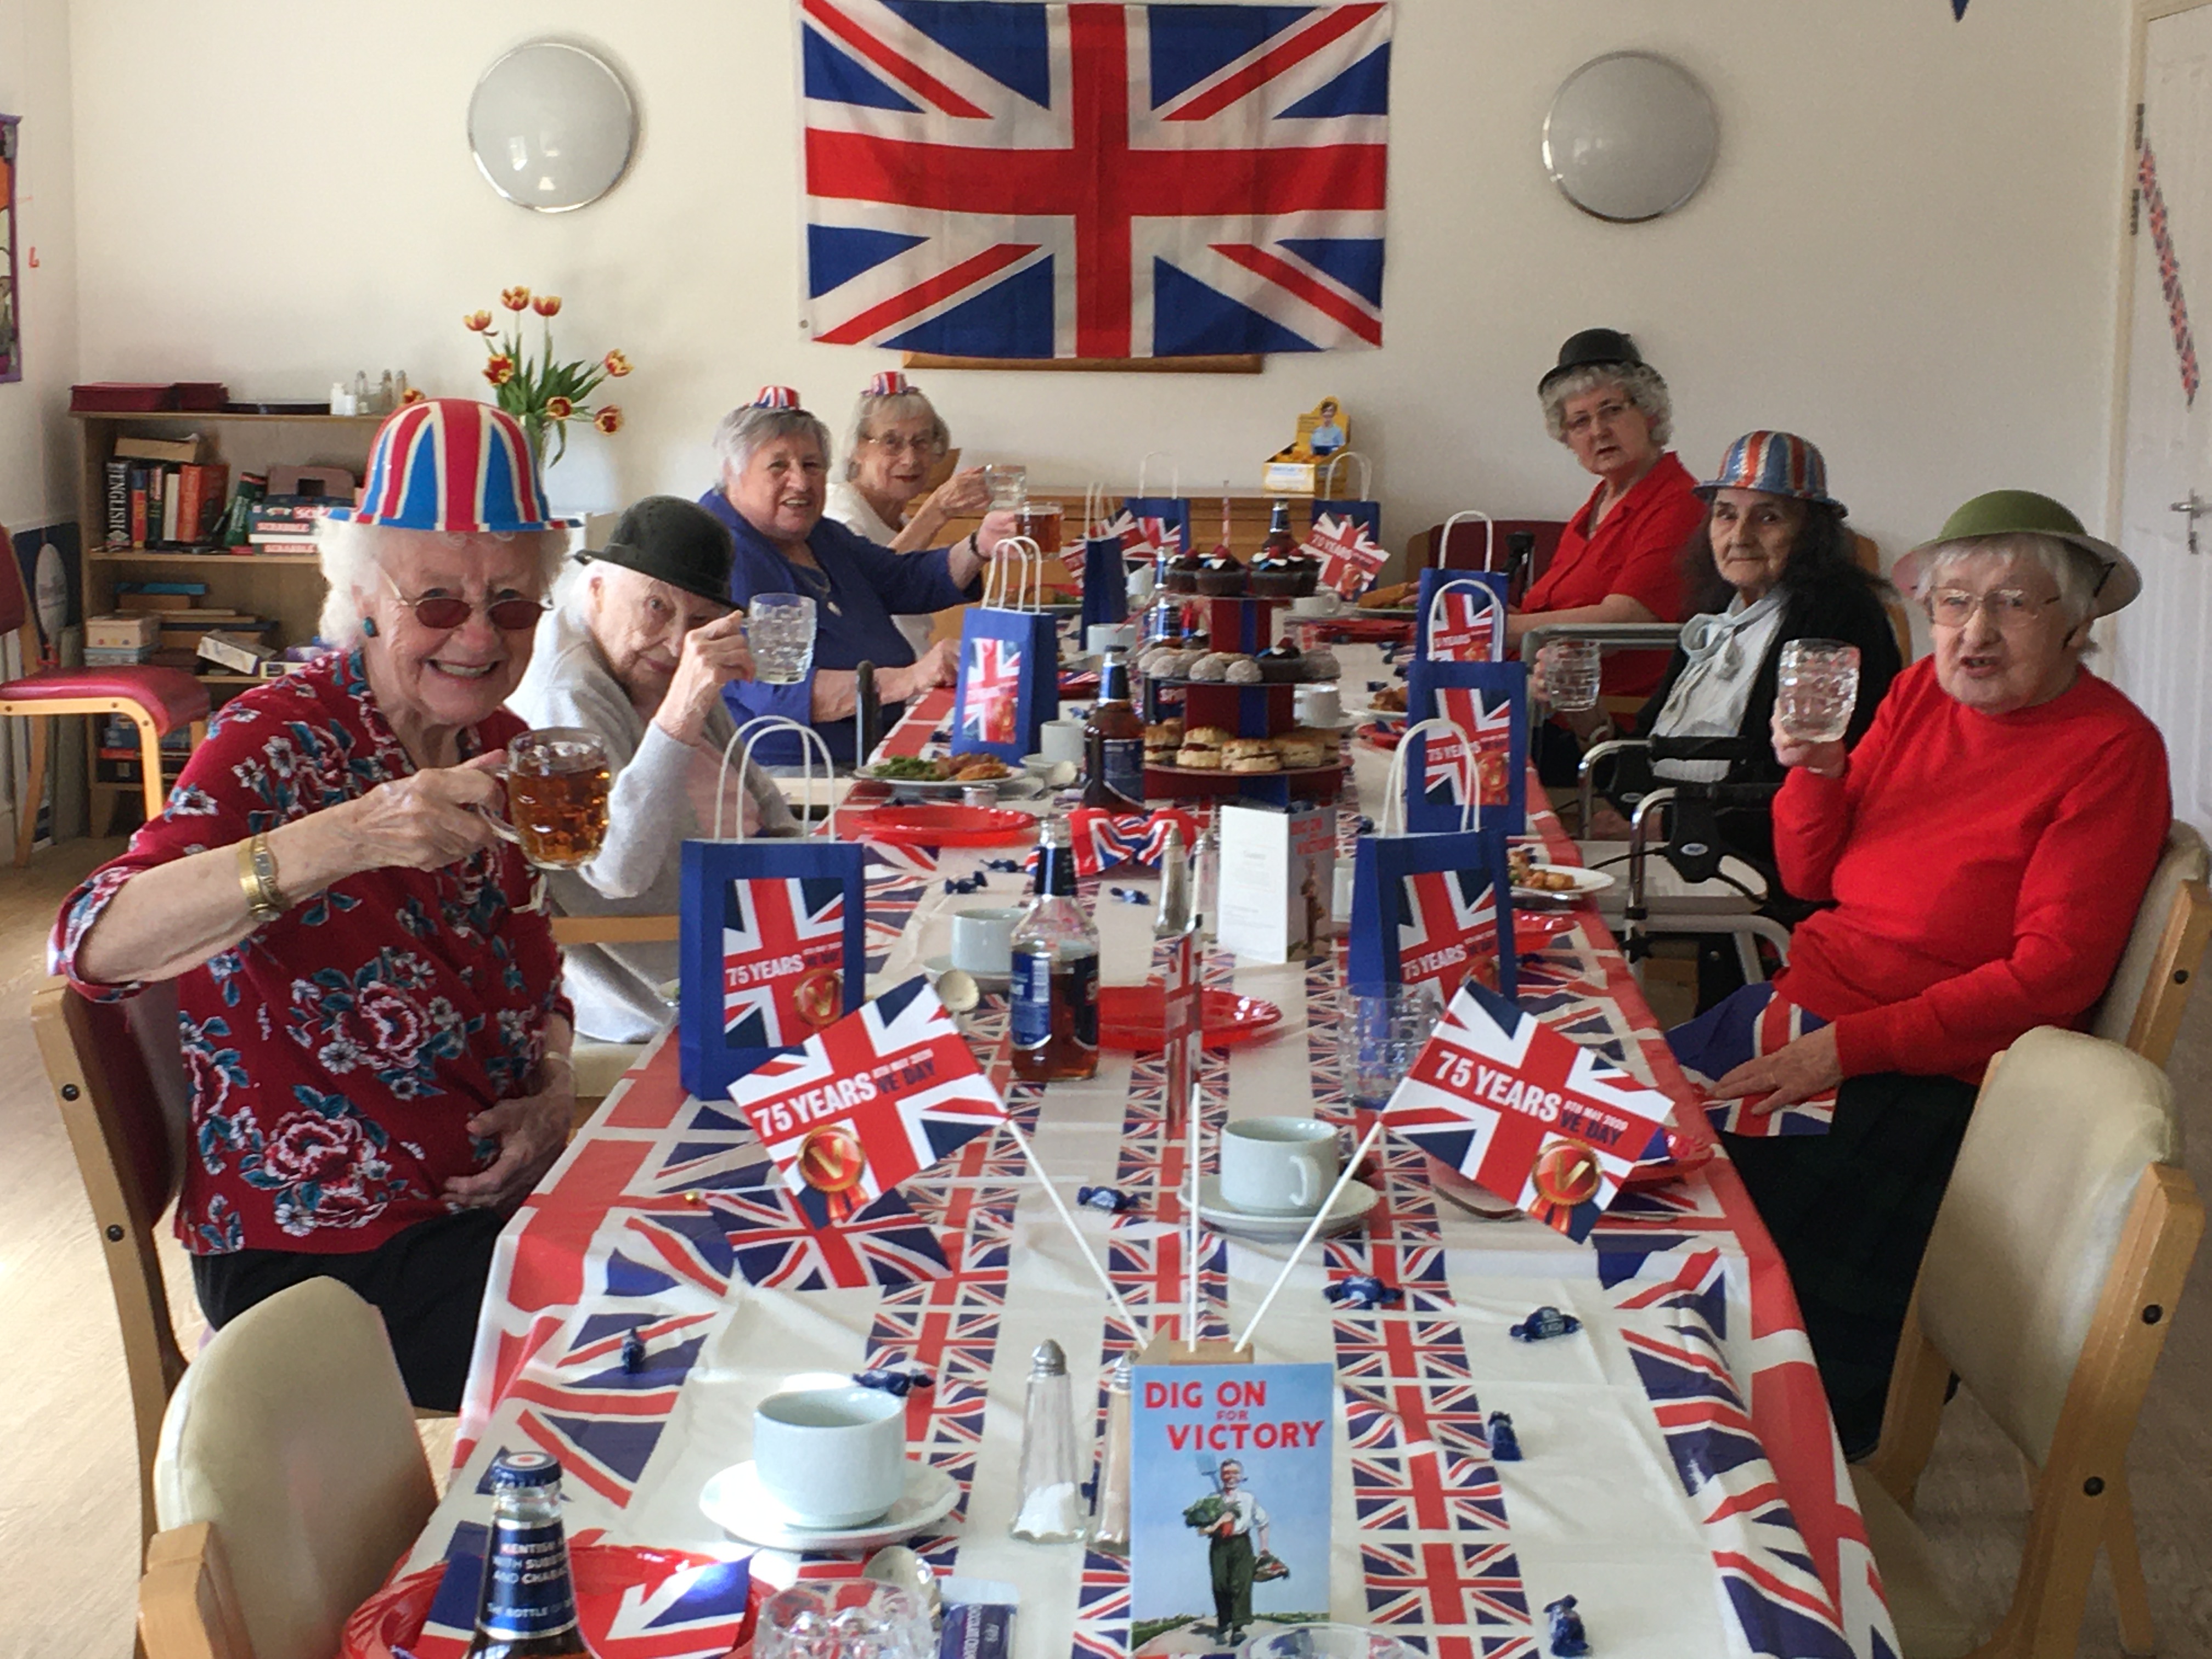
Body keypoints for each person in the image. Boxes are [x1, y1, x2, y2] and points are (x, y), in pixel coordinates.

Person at [48, 400, 577, 1410]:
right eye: (437, 601)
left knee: (717, 1239)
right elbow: (90, 940)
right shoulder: (275, 742)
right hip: (318, 1262)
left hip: (481, 1217)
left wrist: (553, 1086)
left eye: (511, 604)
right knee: (656, 1316)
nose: (477, 634)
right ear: (363, 594)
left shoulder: (500, 747)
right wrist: (349, 836)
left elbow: (539, 975)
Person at [1667, 489, 2171, 1457]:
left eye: (2013, 603)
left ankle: (1740, 1468)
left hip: (1921, 1070)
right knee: (1598, 1127)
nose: (1975, 633)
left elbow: (2051, 979)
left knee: (1694, 1235)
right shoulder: (1914, 698)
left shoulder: (2112, 750)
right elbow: (1810, 878)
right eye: (1953, 603)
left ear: (2076, 623)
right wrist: (1813, 772)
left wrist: (1844, 1049)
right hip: (1803, 1008)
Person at [510, 495, 798, 1043]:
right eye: (656, 606)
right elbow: (618, 870)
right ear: (597, 589)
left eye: (700, 619)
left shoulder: (655, 660)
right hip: (678, 985)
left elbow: (758, 794)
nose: (675, 641)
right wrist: (683, 708)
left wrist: (810, 882)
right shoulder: (565, 692)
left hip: (761, 935)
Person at [1592, 431, 1904, 870]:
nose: (1740, 536)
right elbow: (1649, 743)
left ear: (1811, 533)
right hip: (1672, 830)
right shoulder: (1718, 609)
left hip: (1744, 858)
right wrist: (1587, 715)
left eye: (1768, 517)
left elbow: (1806, 780)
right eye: (1725, 514)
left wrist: (1670, 826)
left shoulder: (1838, 619)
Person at [697, 386, 1021, 766]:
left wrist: (979, 545)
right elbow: (776, 692)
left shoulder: (818, 534)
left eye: (812, 465)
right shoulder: (720, 556)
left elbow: (902, 579)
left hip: (877, 745)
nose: (801, 482)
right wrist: (911, 678)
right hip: (797, 772)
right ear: (732, 473)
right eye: (778, 466)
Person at [1513, 330, 1704, 775]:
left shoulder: (1680, 503)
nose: (1598, 431)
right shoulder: (1601, 501)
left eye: (1612, 410)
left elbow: (1626, 619)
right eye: (1579, 422)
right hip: (1539, 704)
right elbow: (1550, 609)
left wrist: (1497, 629)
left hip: (1607, 726)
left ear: (1650, 414)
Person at [825, 370, 990, 658]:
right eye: (891, 442)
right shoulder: (839, 513)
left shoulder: (901, 521)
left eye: (921, 441)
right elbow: (868, 594)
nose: (910, 458)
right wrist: (937, 511)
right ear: (857, 448)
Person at [1207, 1459, 1269, 1647]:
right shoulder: (1213, 1499)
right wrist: (1218, 1522)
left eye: (1234, 1473)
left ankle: (1238, 1629)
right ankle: (1224, 1621)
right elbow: (1203, 1527)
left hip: (1241, 1543)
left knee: (1241, 1584)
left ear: (1241, 1476)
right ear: (1221, 1476)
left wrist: (1264, 1547)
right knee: (1220, 1584)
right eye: (1226, 1473)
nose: (1230, 1477)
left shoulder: (1248, 1498)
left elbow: (1263, 1522)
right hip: (1220, 1545)